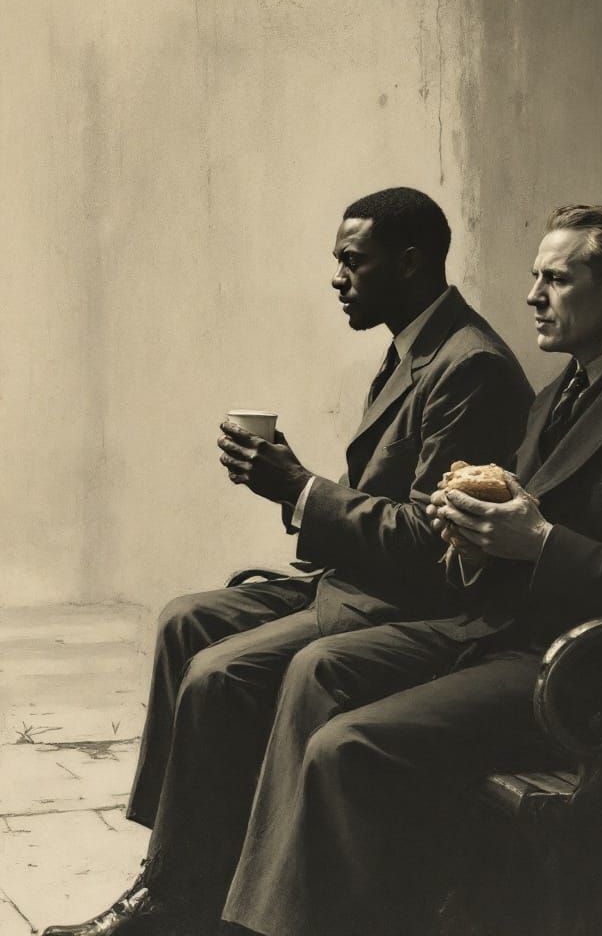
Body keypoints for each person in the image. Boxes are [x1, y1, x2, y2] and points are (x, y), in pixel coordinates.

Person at [214, 204, 602, 936]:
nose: (532, 295)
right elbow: (515, 531)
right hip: (507, 631)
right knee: (321, 668)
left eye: (556, 279)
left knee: (350, 746)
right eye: (535, 277)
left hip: (591, 674)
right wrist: (466, 535)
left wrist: (542, 543)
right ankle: (254, 922)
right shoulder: (565, 390)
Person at [42, 187, 533, 936]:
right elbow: (381, 506)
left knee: (219, 673)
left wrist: (300, 489)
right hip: (355, 582)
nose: (337, 278)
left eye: (352, 262)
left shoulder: (471, 367)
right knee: (185, 621)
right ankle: (178, 874)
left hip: (406, 604)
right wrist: (293, 487)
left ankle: (184, 900)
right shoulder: (415, 346)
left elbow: (431, 545)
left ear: (409, 263)